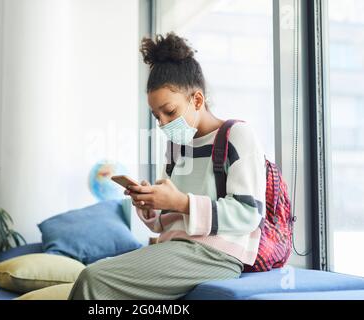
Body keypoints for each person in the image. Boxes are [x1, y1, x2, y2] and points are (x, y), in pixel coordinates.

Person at [68, 32, 266, 300]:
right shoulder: (176, 146)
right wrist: (150, 205)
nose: (162, 123)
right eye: (156, 116)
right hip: (175, 248)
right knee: (97, 276)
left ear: (197, 100)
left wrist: (181, 202)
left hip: (215, 255)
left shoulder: (237, 136)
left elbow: (248, 213)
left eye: (169, 112)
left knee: (93, 279)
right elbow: (166, 223)